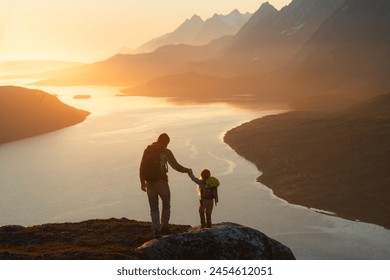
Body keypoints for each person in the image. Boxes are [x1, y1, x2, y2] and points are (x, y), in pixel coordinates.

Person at [139, 133, 191, 238]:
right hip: (161, 181)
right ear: (165, 142)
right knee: (166, 203)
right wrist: (187, 170)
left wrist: (142, 183)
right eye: (167, 143)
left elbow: (141, 167)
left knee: (153, 207)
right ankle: (165, 228)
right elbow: (175, 166)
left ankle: (156, 230)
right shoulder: (165, 152)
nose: (167, 145)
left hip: (149, 182)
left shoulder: (148, 150)